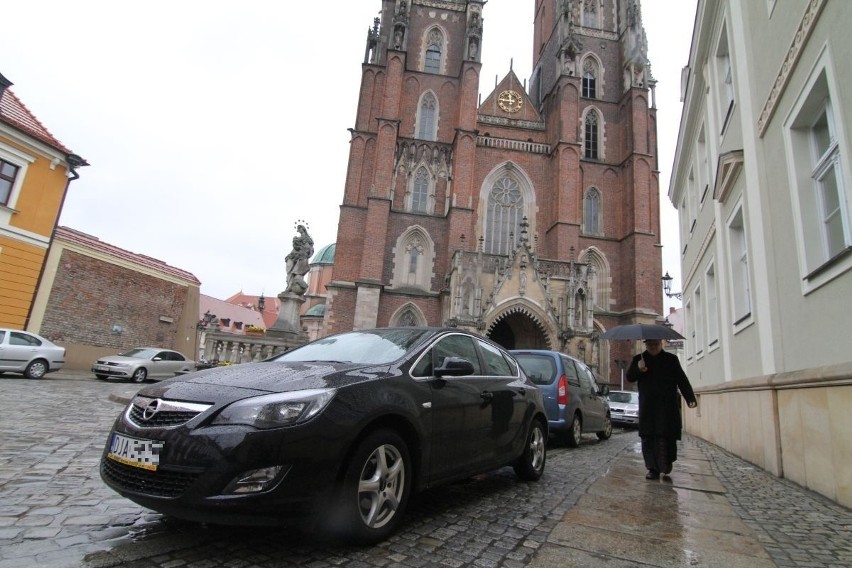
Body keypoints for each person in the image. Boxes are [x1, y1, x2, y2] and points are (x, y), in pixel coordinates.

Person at [626, 338, 697, 480]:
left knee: (666, 436)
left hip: (667, 406)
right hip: (648, 406)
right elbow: (630, 378)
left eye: (656, 344)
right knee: (648, 437)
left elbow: (682, 379)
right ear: (645, 344)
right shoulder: (639, 359)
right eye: (650, 344)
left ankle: (667, 463)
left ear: (661, 344)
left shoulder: (671, 359)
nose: (653, 347)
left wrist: (690, 398)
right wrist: (638, 369)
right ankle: (652, 468)